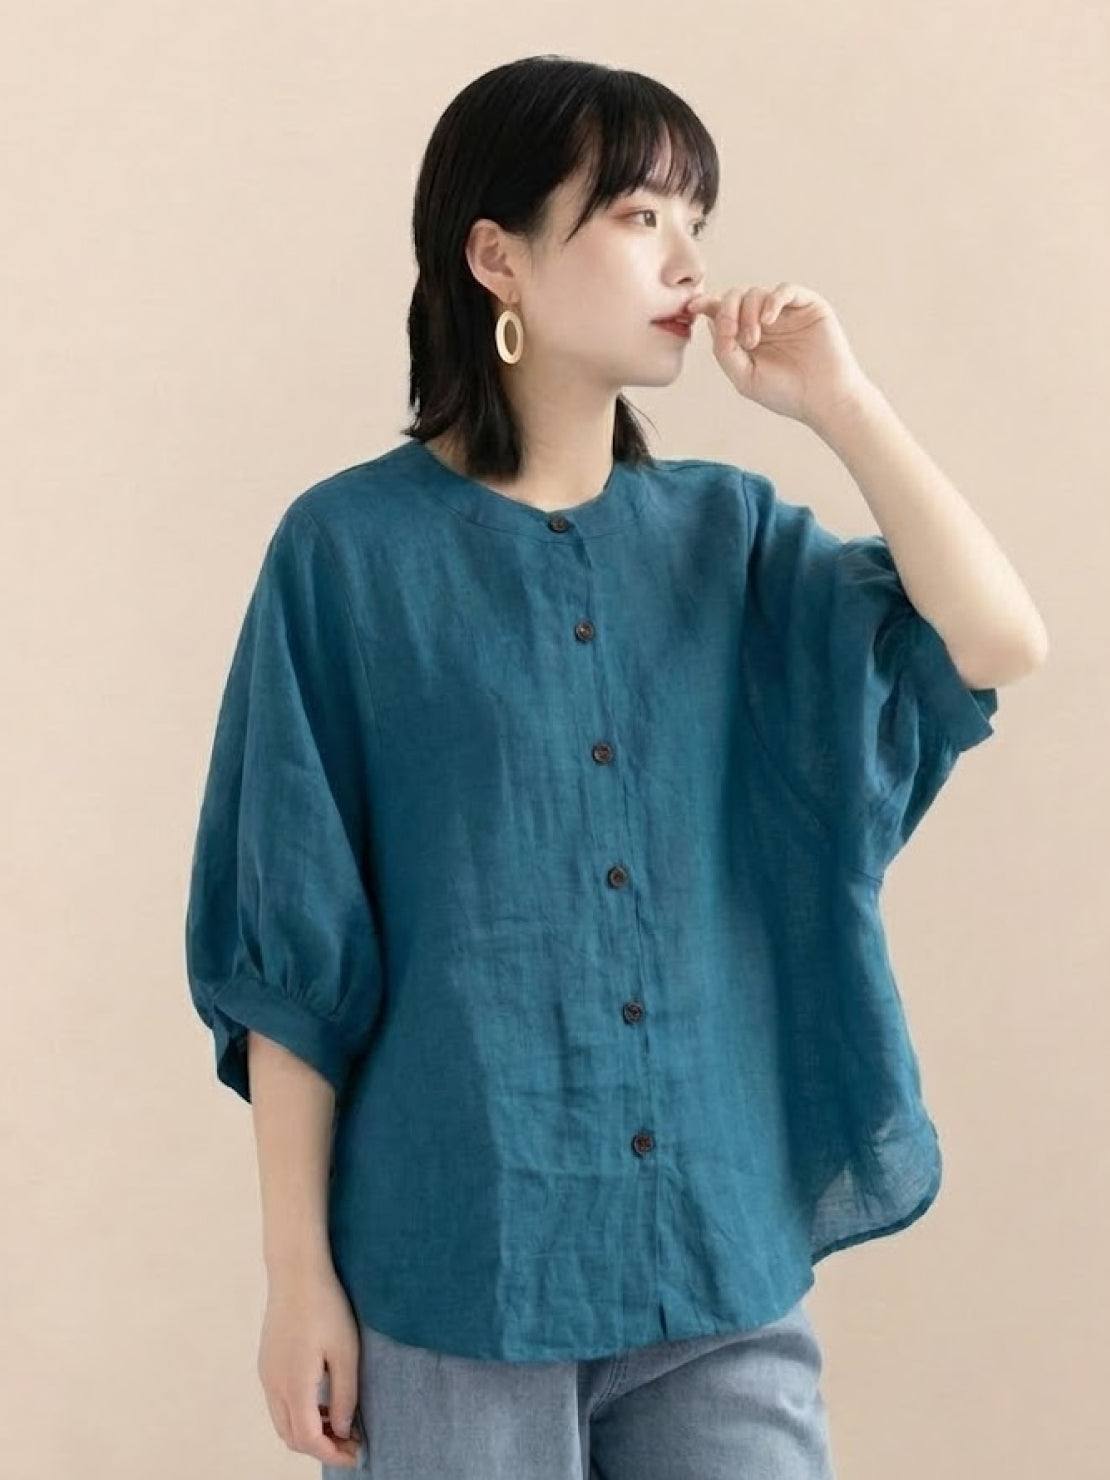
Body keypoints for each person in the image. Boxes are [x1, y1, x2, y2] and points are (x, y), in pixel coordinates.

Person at [183, 55, 1048, 1479]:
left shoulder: (734, 541)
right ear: (497, 257)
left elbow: (996, 641)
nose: (687, 262)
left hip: (716, 1254)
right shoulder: (346, 556)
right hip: (460, 1266)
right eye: (641, 216)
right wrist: (297, 1281)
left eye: (695, 219)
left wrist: (838, 401)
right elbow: (292, 953)